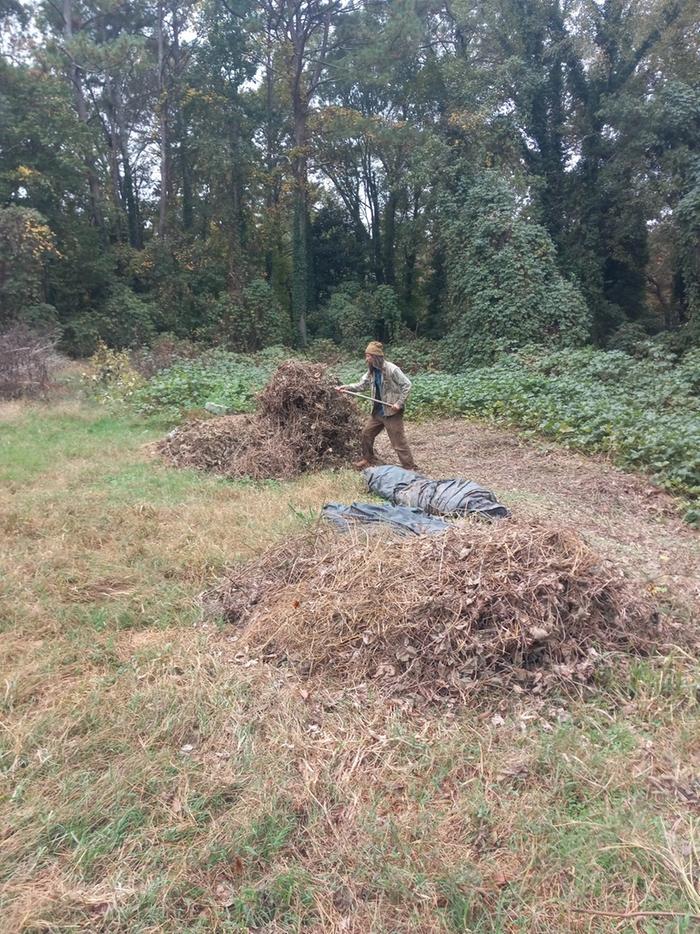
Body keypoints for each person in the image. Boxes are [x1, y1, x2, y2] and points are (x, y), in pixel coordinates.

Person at [337, 341, 417, 470]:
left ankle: (409, 467)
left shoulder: (392, 369)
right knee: (366, 434)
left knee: (398, 442)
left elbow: (407, 385)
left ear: (376, 357)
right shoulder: (372, 372)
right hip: (378, 412)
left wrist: (399, 403)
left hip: (391, 412)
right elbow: (361, 385)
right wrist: (345, 387)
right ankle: (368, 459)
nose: (366, 359)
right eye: (366, 356)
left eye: (369, 356)